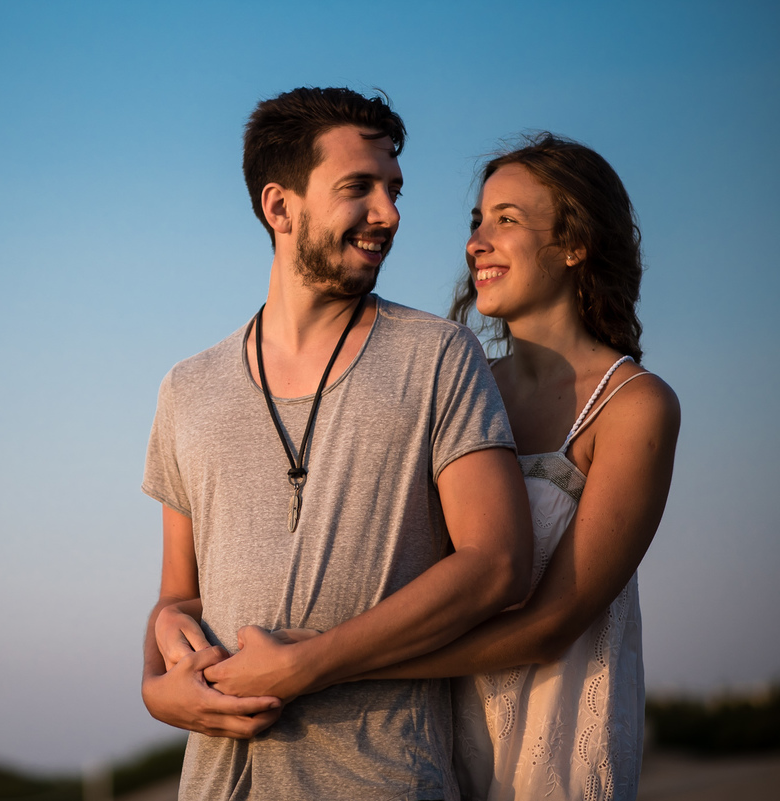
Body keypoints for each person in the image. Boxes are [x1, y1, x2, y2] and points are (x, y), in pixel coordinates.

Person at [140, 86, 533, 801]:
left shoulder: (439, 354)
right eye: (360, 188)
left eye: (394, 189)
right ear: (279, 206)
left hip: (384, 781)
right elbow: (178, 598)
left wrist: (306, 664)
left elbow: (500, 562)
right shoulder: (185, 390)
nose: (389, 214)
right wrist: (155, 690)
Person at [265, 134, 681, 800]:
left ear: (574, 243)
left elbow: (553, 624)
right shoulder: (460, 385)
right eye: (476, 222)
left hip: (554, 741)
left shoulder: (635, 405)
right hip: (426, 745)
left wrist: (329, 666)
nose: (477, 241)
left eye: (506, 220)